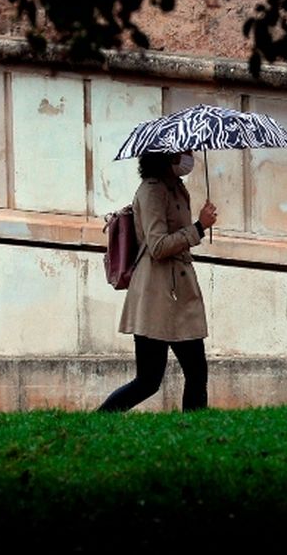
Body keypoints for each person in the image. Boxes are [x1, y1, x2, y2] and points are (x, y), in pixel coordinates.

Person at [97, 149, 218, 413]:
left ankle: (195, 434)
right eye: (183, 152)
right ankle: (100, 419)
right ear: (166, 156)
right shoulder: (152, 191)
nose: (189, 157)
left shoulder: (175, 188)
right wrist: (199, 227)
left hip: (179, 292)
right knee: (149, 380)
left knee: (196, 372)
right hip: (157, 295)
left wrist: (198, 226)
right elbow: (158, 245)